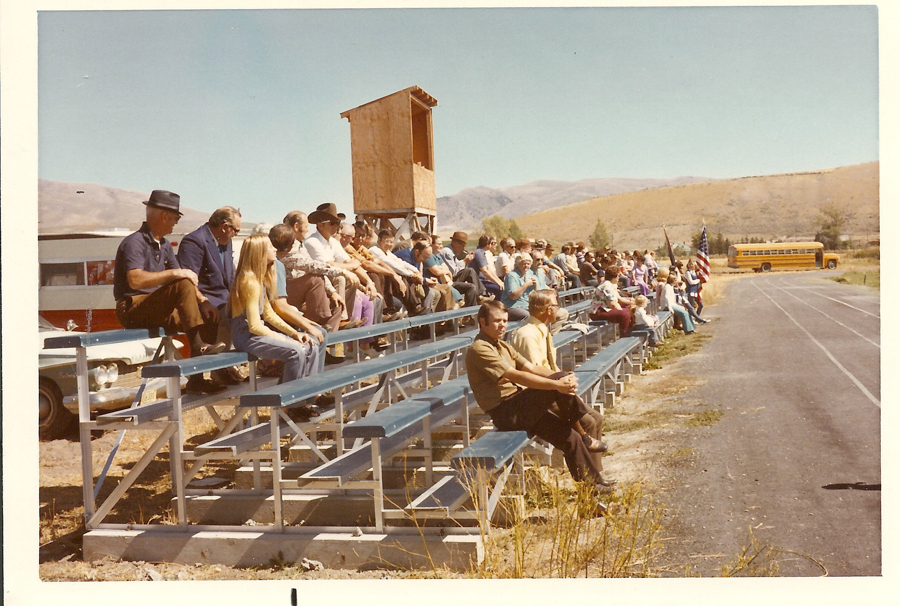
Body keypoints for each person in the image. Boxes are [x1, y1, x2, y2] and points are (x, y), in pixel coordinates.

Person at [466, 301, 615, 495]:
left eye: (504, 320)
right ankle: (585, 434)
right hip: (506, 412)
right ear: (482, 322)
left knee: (571, 439)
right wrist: (557, 384)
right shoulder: (479, 348)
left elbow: (531, 368)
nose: (502, 325)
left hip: (521, 407)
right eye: (496, 321)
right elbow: (515, 375)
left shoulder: (502, 345)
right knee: (559, 383)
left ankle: (593, 485)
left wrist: (562, 377)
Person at [113, 190, 226, 394]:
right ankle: (199, 345)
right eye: (175, 218)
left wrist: (205, 302)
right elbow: (135, 279)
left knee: (209, 314)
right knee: (181, 282)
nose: (175, 223)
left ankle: (197, 378)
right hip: (131, 308)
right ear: (164, 216)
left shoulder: (163, 244)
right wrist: (175, 273)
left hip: (155, 308)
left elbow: (186, 280)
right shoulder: (134, 242)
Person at [508, 290, 609, 474]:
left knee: (596, 418)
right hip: (538, 397)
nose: (559, 309)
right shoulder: (527, 335)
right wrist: (561, 384)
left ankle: (596, 473)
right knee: (587, 423)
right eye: (556, 305)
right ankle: (590, 479)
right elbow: (534, 377)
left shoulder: (541, 329)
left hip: (553, 390)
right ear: (548, 310)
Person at [227, 235, 320, 387]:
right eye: (270, 247)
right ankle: (290, 402)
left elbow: (269, 315)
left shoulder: (260, 280)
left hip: (256, 336)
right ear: (260, 253)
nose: (275, 249)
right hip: (247, 338)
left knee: (312, 346)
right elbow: (255, 326)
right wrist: (284, 339)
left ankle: (308, 398)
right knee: (296, 351)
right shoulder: (249, 283)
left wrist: (294, 333)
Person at [176, 206, 242, 346]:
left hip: (225, 302)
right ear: (224, 227)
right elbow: (187, 282)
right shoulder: (195, 241)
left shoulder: (226, 242)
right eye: (236, 230)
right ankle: (225, 364)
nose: (236, 234)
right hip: (207, 304)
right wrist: (204, 302)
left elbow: (229, 277)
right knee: (232, 317)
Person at [277, 215, 343, 334]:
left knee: (337, 303)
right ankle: (319, 323)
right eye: (306, 226)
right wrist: (342, 271)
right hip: (285, 295)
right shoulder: (286, 247)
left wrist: (332, 292)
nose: (308, 230)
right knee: (315, 279)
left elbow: (314, 268)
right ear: (296, 227)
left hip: (301, 293)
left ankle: (326, 341)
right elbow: (311, 266)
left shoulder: (300, 245)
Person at [440, 231, 488, 300]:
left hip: (452, 278)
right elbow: (453, 272)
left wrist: (465, 261)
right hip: (449, 281)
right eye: (463, 245)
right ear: (456, 243)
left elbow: (456, 265)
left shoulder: (451, 252)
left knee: (469, 270)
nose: (464, 249)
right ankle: (479, 296)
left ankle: (480, 294)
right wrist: (465, 261)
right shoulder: (447, 252)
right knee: (470, 282)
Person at [589, 267, 635, 337]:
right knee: (625, 315)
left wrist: (632, 302)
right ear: (614, 276)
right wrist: (623, 311)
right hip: (598, 311)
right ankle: (624, 336)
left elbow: (619, 299)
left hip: (605, 309)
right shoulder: (607, 285)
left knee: (632, 311)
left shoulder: (610, 285)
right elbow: (612, 304)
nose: (619, 278)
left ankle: (632, 332)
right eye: (618, 276)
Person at [501, 253, 539, 322]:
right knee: (528, 316)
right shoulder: (511, 276)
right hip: (512, 307)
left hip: (526, 305)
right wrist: (526, 285)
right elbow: (513, 296)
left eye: (528, 264)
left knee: (542, 313)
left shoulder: (529, 274)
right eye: (524, 264)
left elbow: (534, 295)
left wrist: (536, 286)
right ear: (518, 264)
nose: (526, 266)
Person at [469, 234, 504, 299]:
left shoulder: (482, 253)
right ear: (488, 244)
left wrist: (499, 281)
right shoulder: (479, 253)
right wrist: (498, 283)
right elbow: (485, 271)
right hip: (478, 281)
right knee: (499, 289)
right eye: (492, 243)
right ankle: (497, 307)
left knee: (501, 286)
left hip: (483, 280)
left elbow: (489, 269)